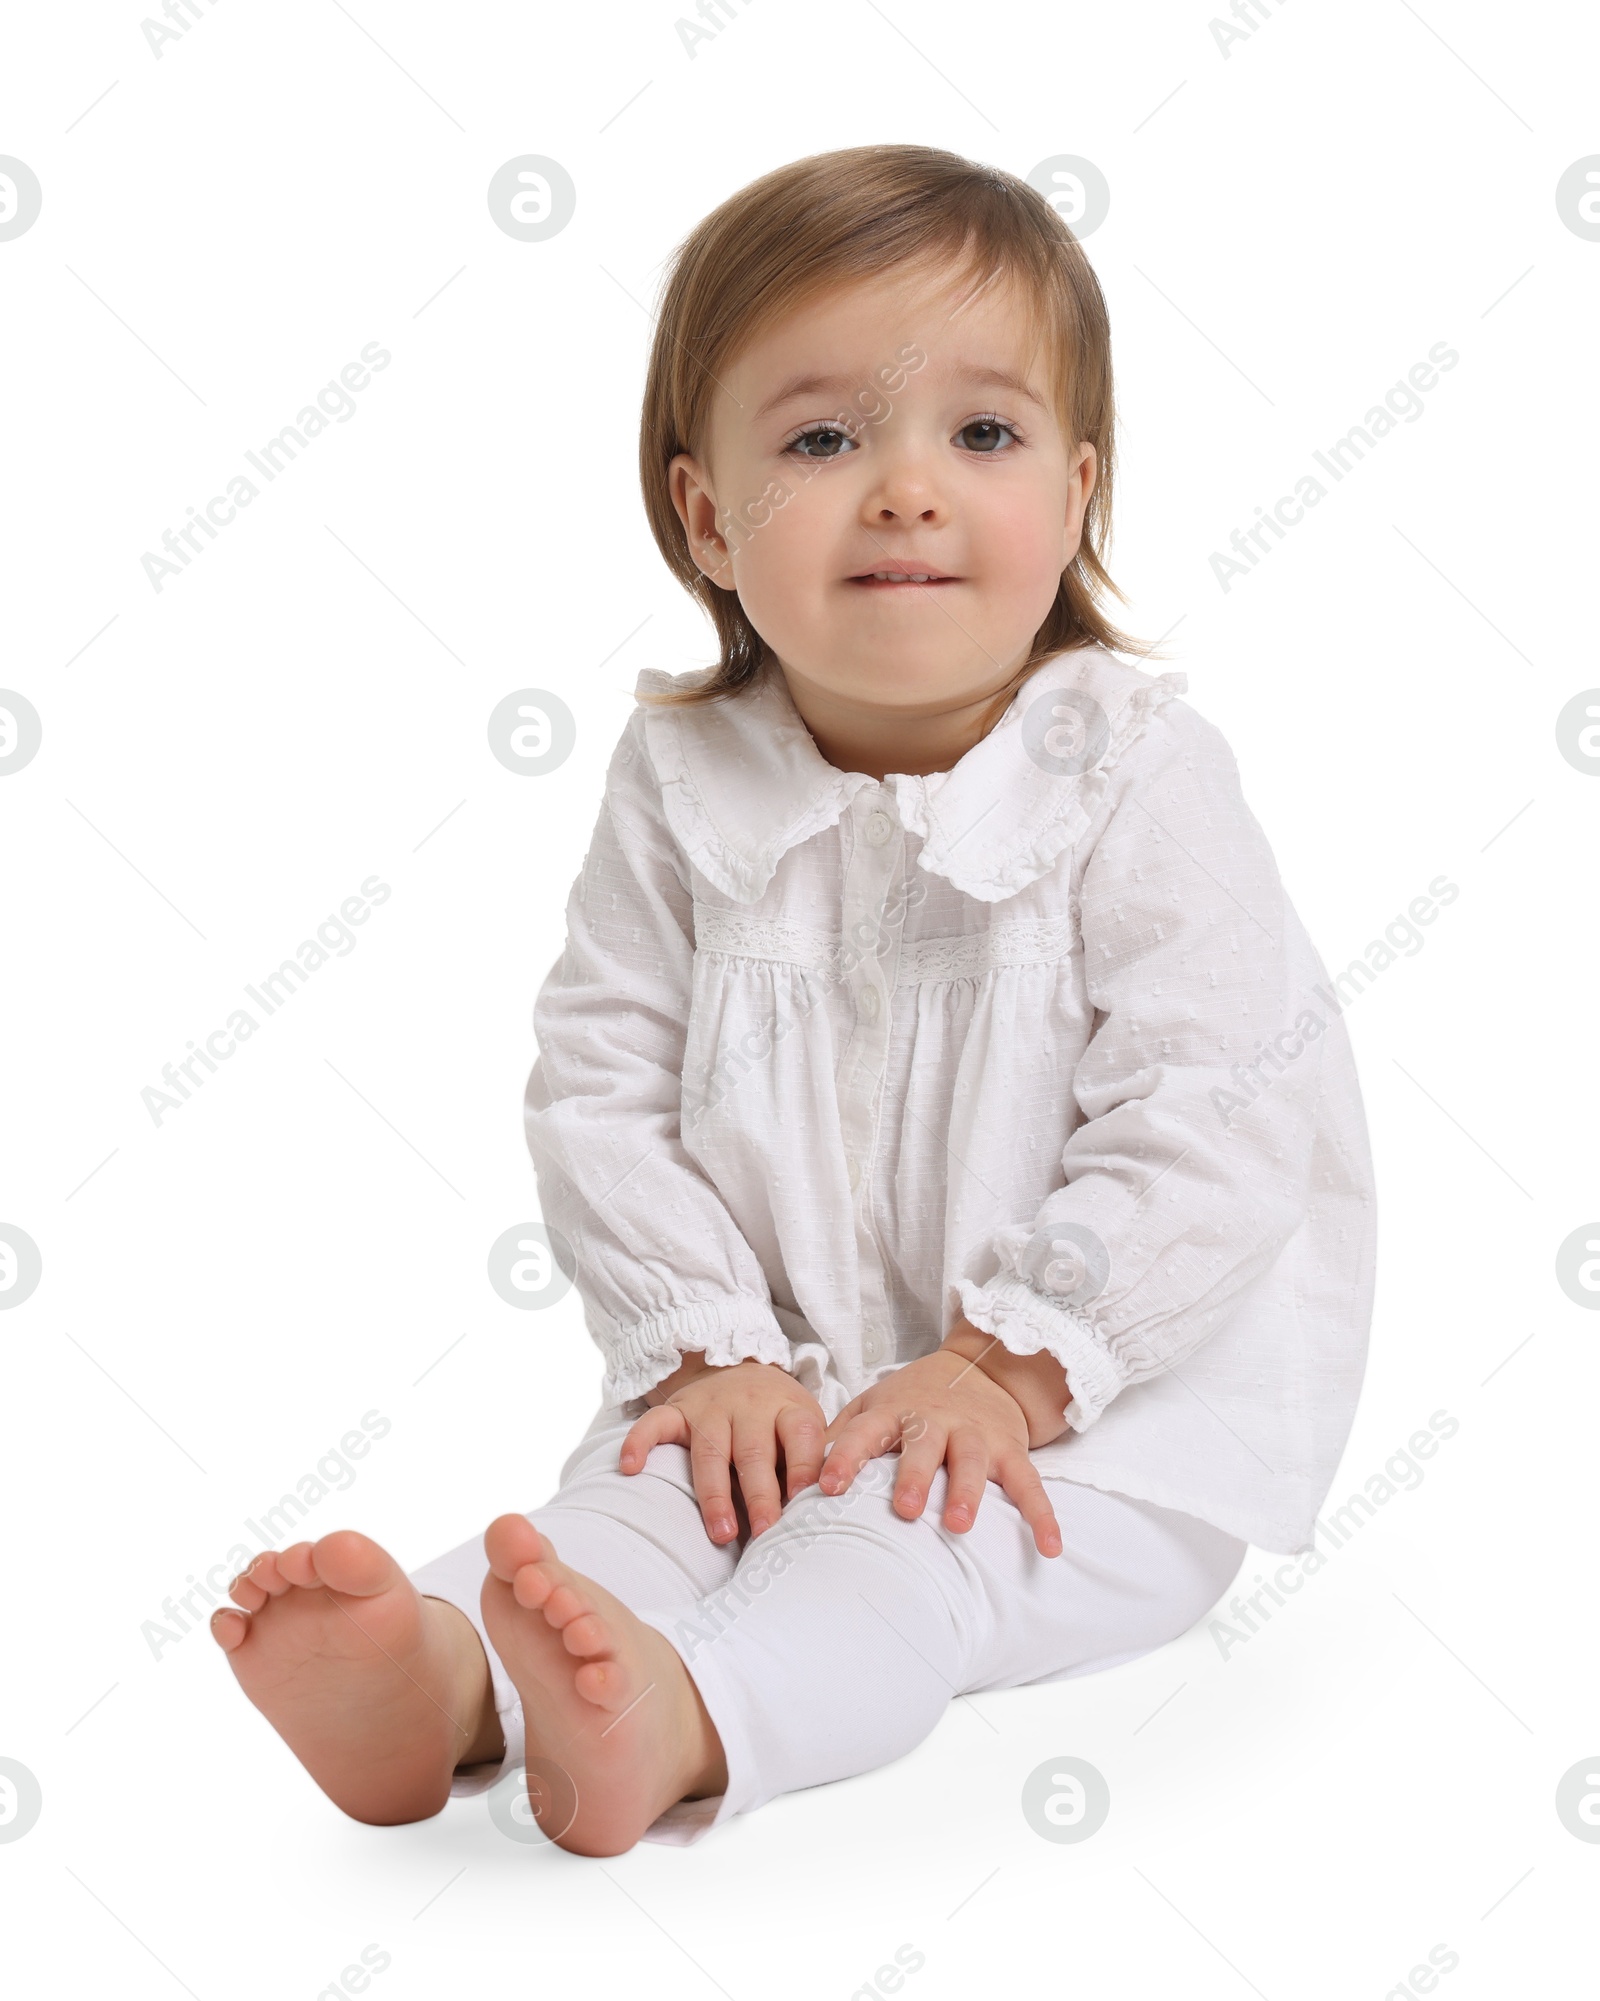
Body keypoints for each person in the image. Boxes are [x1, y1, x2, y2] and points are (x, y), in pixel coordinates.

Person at [211, 143, 1375, 1856]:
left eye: (982, 435)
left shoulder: (1131, 778)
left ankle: (688, 1724)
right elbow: (600, 1077)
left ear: (1076, 494)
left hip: (1103, 1425)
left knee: (901, 1543)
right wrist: (708, 1345)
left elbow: (1221, 1108)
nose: (907, 488)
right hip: (767, 1378)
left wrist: (1006, 1366)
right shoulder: (686, 779)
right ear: (707, 513)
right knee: (636, 1499)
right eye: (824, 439)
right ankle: (447, 1677)